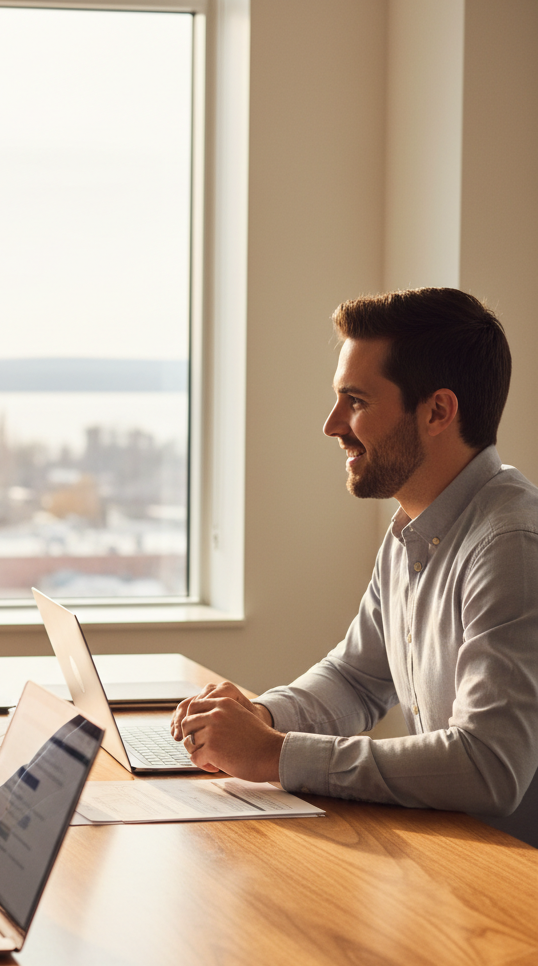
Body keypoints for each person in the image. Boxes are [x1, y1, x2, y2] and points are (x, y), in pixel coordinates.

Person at [171, 287, 538, 848]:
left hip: (512, 882)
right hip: (456, 855)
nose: (332, 424)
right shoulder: (413, 530)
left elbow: (490, 768)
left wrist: (277, 755)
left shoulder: (511, 544)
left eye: (357, 402)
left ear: (438, 411)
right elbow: (355, 678)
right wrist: (263, 718)